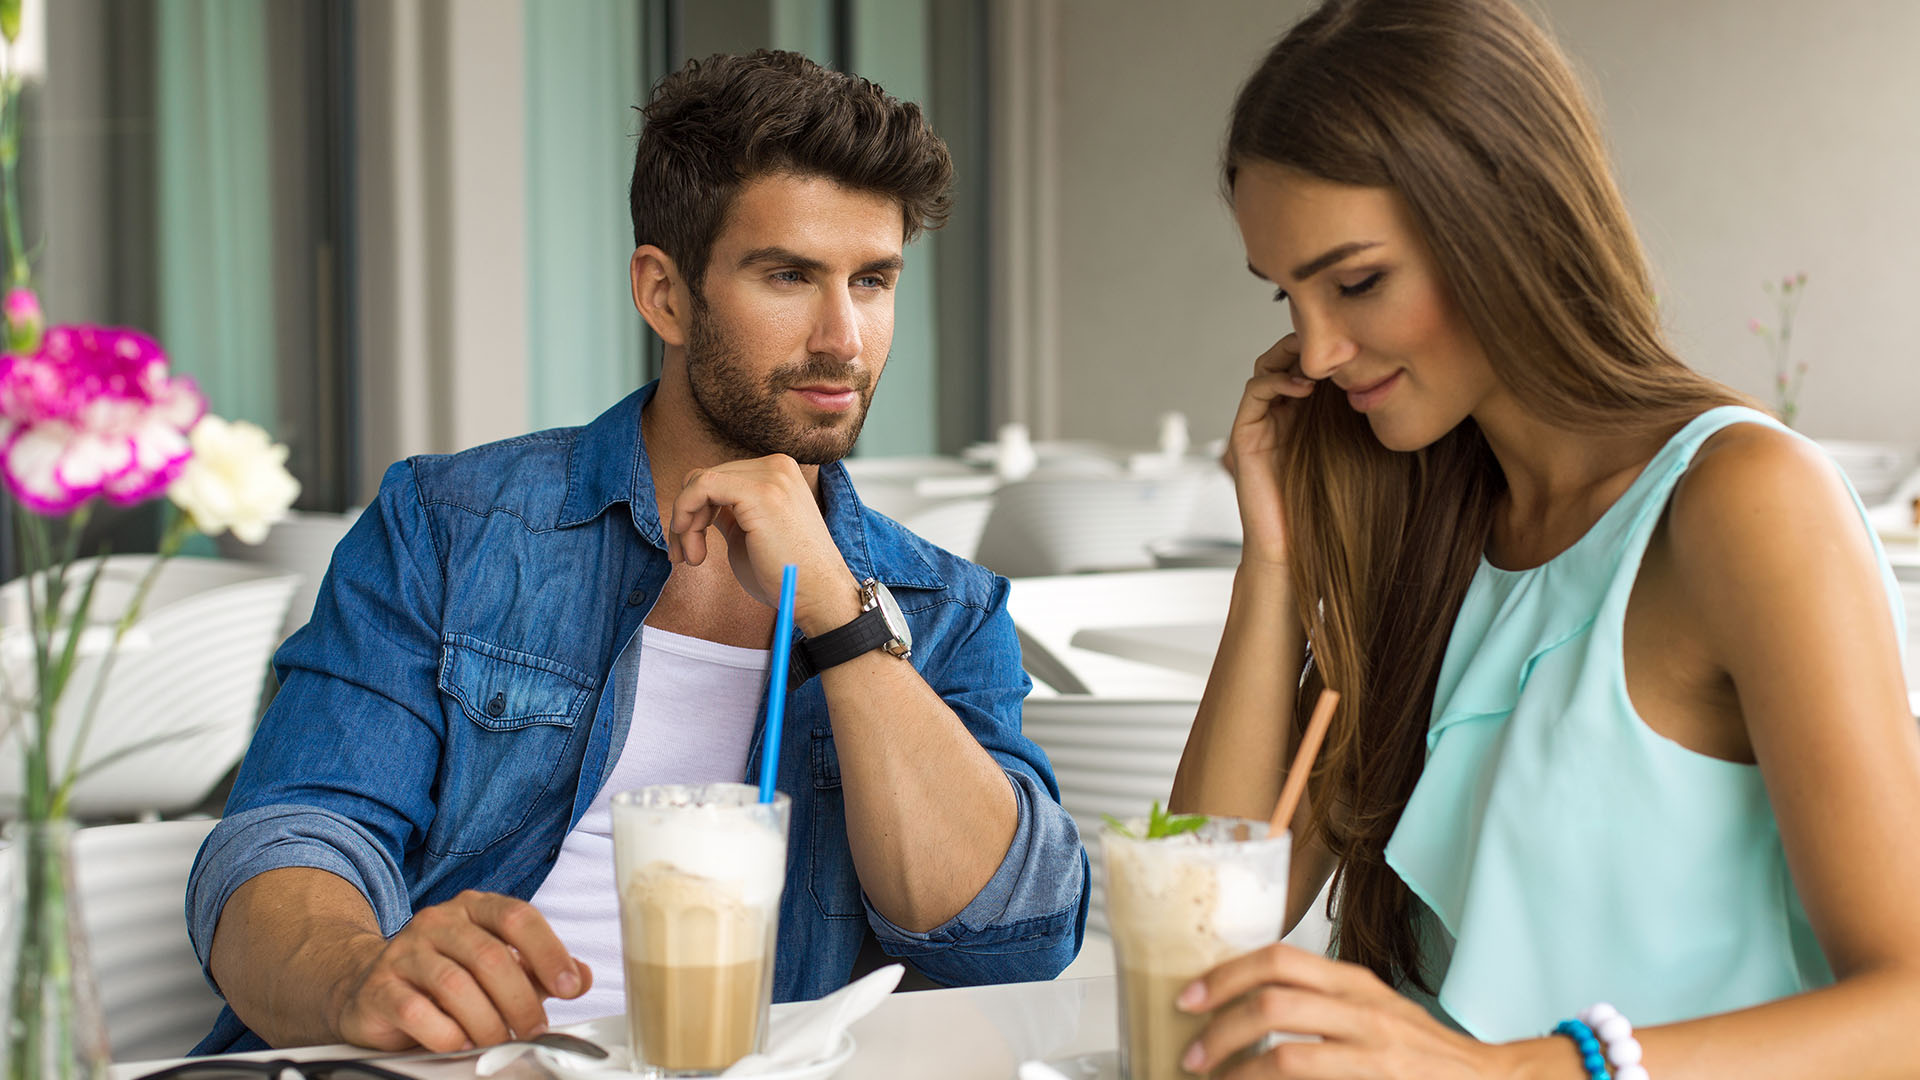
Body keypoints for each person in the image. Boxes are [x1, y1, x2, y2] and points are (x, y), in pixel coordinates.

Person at [185, 51, 1086, 1054]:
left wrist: (839, 611)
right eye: (788, 275)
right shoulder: (451, 525)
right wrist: (355, 975)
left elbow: (1013, 939)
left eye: (872, 281)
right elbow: (293, 833)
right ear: (663, 294)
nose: (844, 337)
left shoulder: (942, 606)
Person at [1166, 0, 1920, 1076]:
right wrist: (1274, 562)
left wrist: (1510, 1072)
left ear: (1500, 221)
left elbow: (1910, 1008)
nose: (1318, 350)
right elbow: (1204, 925)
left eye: (1358, 281)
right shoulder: (1423, 523)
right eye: (1289, 296)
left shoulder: (1744, 503)